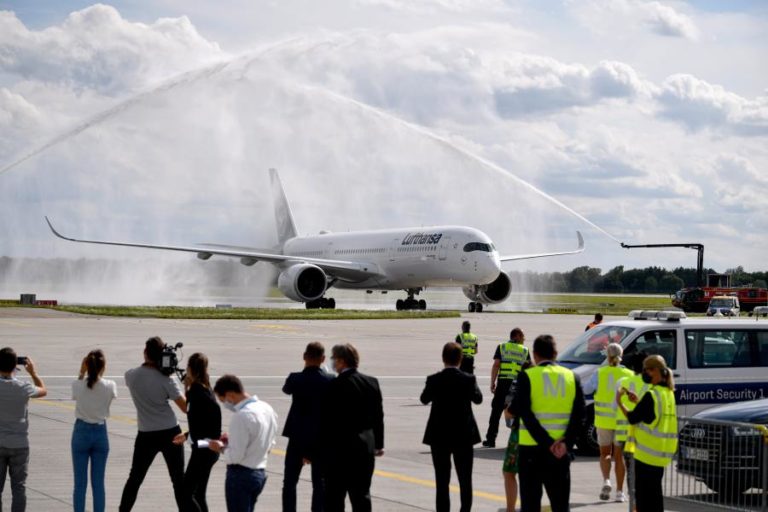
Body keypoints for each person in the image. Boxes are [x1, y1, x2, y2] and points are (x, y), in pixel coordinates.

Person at [508, 335, 585, 512]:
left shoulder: (527, 376)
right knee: (560, 505)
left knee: (530, 504)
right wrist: (565, 443)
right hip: (560, 452)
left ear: (534, 355)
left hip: (531, 451)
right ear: (555, 354)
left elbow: (525, 413)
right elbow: (580, 415)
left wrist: (547, 443)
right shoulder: (572, 377)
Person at [119, 336, 187, 512]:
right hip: (170, 432)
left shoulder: (131, 376)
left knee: (135, 478)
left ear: (145, 353)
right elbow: (186, 408)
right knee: (178, 480)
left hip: (146, 434)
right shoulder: (167, 379)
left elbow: (139, 374)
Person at [318, 343, 384, 512]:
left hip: (338, 451)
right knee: (362, 495)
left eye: (334, 359)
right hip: (364, 449)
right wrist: (378, 443)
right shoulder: (371, 382)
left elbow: (325, 420)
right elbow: (378, 416)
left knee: (334, 497)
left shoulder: (333, 385)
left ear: (341, 361)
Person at [421, 342, 483, 512]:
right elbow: (478, 399)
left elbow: (424, 399)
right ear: (460, 359)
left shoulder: (434, 379)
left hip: (439, 435)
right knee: (465, 480)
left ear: (443, 358)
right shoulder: (468, 380)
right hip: (463, 435)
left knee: (442, 481)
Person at [616, 355, 677, 512]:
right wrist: (638, 402)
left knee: (644, 500)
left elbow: (633, 418)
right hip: (660, 456)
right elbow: (653, 417)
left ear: (655, 371)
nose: (644, 373)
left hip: (646, 456)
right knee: (655, 497)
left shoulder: (652, 395)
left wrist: (619, 401)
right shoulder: (668, 393)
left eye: (646, 370)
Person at [210, 374, 278, 512]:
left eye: (223, 400)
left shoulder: (241, 416)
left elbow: (236, 456)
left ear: (230, 395)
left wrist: (221, 448)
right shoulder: (267, 408)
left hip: (241, 475)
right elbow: (270, 443)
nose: (225, 404)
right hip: (259, 472)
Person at [281, 342, 334, 512]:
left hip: (297, 435)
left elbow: (286, 389)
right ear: (323, 359)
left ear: (304, 357)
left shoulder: (295, 378)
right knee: (319, 483)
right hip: (320, 437)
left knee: (290, 481)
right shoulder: (330, 380)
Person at [582, 343, 633, 502]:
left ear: (607, 356)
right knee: (619, 457)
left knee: (605, 454)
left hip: (603, 421)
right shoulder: (629, 374)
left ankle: (606, 480)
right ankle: (620, 492)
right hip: (622, 422)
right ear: (622, 355)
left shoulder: (600, 373)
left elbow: (586, 390)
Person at [172, 353, 221, 512]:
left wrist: (187, 388)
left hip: (203, 451)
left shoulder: (196, 392)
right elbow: (202, 422)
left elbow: (190, 412)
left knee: (185, 493)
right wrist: (186, 435)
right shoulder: (207, 389)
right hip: (209, 449)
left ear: (191, 370)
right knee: (198, 494)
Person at [0, 348, 46, 512]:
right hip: (19, 444)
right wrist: (33, 373)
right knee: (19, 488)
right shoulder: (24, 387)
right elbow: (42, 390)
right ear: (15, 366)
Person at [71, 350, 117, 512]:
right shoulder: (110, 385)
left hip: (81, 431)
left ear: (87, 365)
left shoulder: (78, 385)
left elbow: (77, 392)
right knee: (98, 483)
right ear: (103, 366)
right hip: (100, 431)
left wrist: (82, 372)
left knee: (80, 483)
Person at [483, 328, 530, 448]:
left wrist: (492, 382)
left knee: (496, 411)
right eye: (522, 336)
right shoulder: (525, 350)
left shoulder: (502, 347)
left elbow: (496, 365)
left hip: (503, 383)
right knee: (518, 412)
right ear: (517, 336)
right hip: (518, 385)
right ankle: (518, 440)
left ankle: (491, 439)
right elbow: (528, 370)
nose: (524, 338)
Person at [614, 351, 649, 511]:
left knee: (631, 472)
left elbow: (616, 404)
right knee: (645, 473)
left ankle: (633, 505)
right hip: (644, 435)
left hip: (624, 434)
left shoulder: (623, 382)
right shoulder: (650, 384)